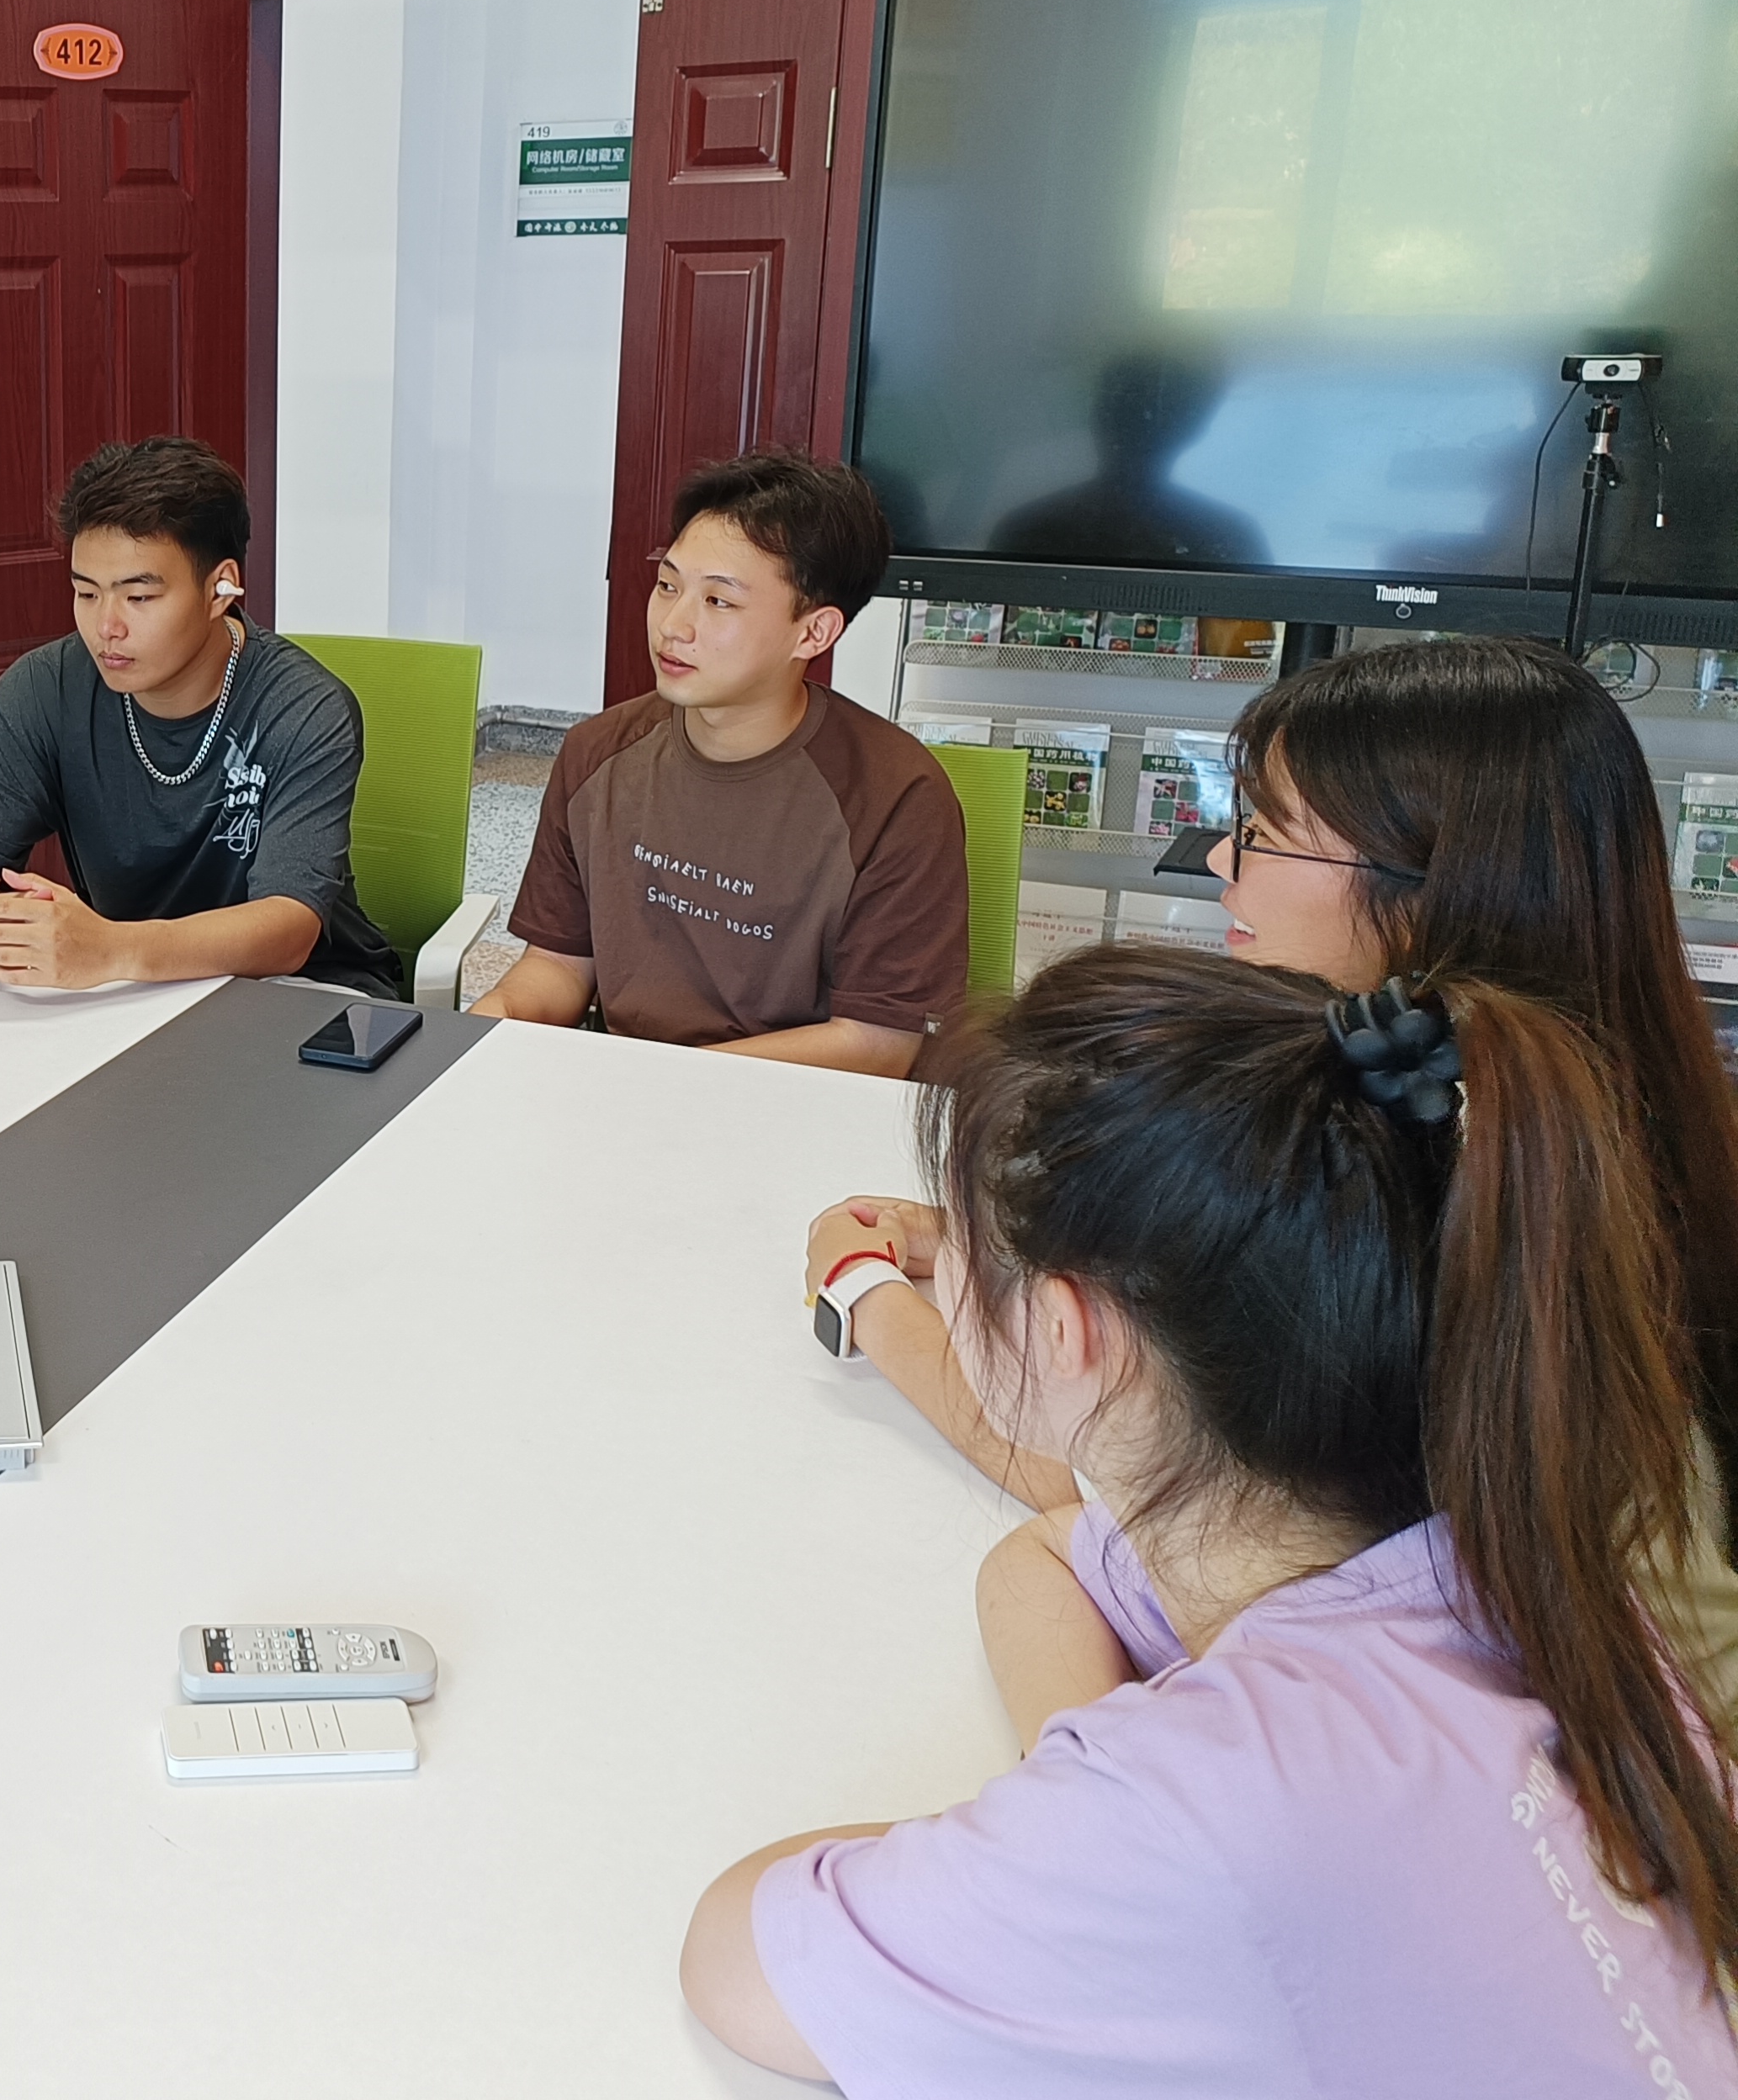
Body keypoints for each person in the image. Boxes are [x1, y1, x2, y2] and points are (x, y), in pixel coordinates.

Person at [686, 947, 1738, 2093]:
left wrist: (1096, 1839)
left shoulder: (1214, 1813)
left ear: (1066, 1334)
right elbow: (1046, 1558)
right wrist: (1088, 1783)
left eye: (967, 1262)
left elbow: (739, 1957)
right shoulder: (1508, 1573)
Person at [803, 635, 1738, 1716]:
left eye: (1263, 833)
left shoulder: (1431, 1169)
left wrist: (864, 1291)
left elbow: (1126, 1466)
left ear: (1425, 884)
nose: (1218, 861)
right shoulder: (1576, 1111)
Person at [470, 449, 965, 1075]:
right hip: (623, 1095)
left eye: (719, 601)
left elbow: (877, 1044)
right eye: (668, 586)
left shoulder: (898, 797)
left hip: (791, 1105)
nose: (673, 626)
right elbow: (560, 964)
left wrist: (668, 1083)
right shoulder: (597, 753)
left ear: (813, 632)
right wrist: (496, 1017)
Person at [0, 436, 400, 998]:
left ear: (220, 588)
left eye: (139, 598)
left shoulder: (304, 707)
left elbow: (287, 930)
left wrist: (111, 949)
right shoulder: (41, 690)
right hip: (129, 992)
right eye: (87, 594)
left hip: (299, 990)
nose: (107, 628)